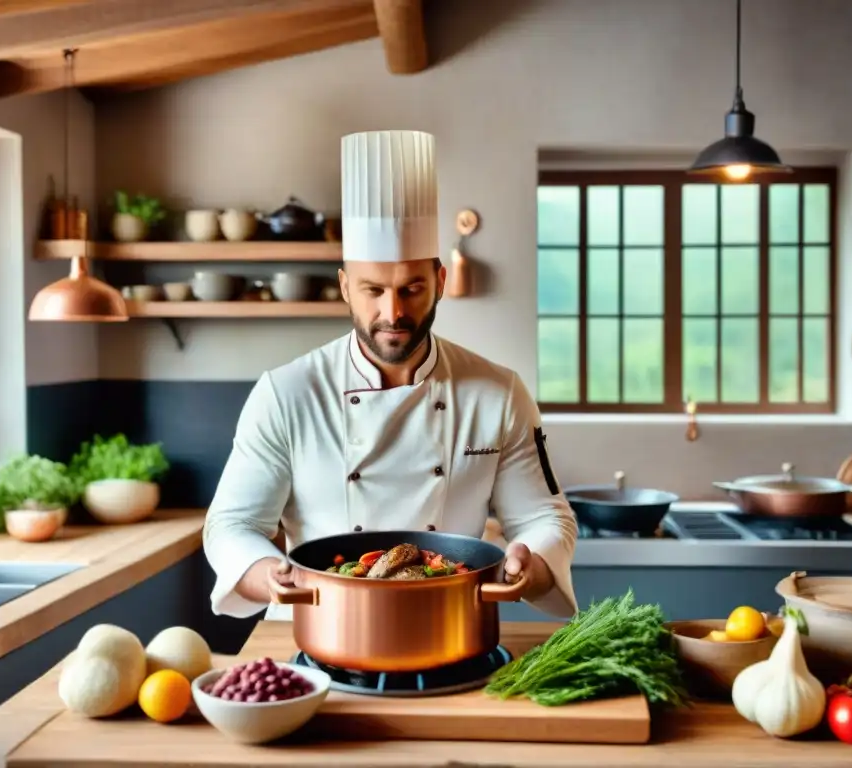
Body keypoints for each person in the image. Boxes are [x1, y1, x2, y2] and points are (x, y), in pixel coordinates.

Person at [203, 129, 578, 621]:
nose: (392, 311)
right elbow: (231, 525)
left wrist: (529, 563)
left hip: (451, 627)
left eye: (412, 288)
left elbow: (545, 518)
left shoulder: (498, 393)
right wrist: (272, 573)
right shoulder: (285, 394)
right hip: (320, 629)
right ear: (344, 286)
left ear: (440, 282)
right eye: (372, 289)